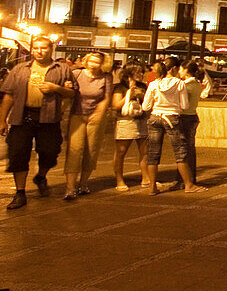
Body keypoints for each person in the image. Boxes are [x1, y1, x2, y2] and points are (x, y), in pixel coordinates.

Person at [0, 36, 76, 210]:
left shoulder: (62, 69)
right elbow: (9, 95)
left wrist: (55, 88)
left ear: (51, 50)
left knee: (50, 152)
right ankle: (20, 193)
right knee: (18, 154)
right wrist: (2, 120)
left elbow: (71, 93)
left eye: (43, 48)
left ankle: (41, 175)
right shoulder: (20, 69)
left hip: (49, 118)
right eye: (35, 48)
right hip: (22, 116)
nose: (39, 51)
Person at [142, 58, 204, 194]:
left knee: (153, 153)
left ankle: (152, 187)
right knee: (180, 153)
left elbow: (145, 106)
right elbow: (184, 106)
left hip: (155, 117)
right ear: (174, 69)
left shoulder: (153, 84)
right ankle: (188, 185)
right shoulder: (179, 84)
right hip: (172, 118)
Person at [63, 51, 114, 199]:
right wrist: (67, 86)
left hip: (96, 116)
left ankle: (83, 184)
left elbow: (107, 97)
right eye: (91, 61)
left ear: (102, 64)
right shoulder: (77, 73)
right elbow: (68, 89)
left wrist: (99, 113)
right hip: (77, 115)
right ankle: (70, 188)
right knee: (74, 149)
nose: (93, 65)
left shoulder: (106, 77)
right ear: (86, 61)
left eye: (97, 62)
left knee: (91, 150)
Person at [112, 65, 149, 191]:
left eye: (141, 72)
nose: (141, 75)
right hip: (125, 121)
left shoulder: (143, 86)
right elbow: (116, 105)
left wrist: (142, 96)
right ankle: (119, 179)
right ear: (129, 74)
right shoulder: (120, 87)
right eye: (137, 72)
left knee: (144, 151)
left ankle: (146, 177)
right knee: (121, 152)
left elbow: (147, 104)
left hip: (141, 120)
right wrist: (129, 94)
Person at [178, 60, 213, 187]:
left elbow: (180, 101)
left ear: (186, 71)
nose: (179, 72)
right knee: (189, 149)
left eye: (181, 69)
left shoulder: (187, 85)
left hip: (185, 118)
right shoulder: (197, 84)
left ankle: (185, 179)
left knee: (184, 150)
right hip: (192, 116)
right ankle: (189, 178)